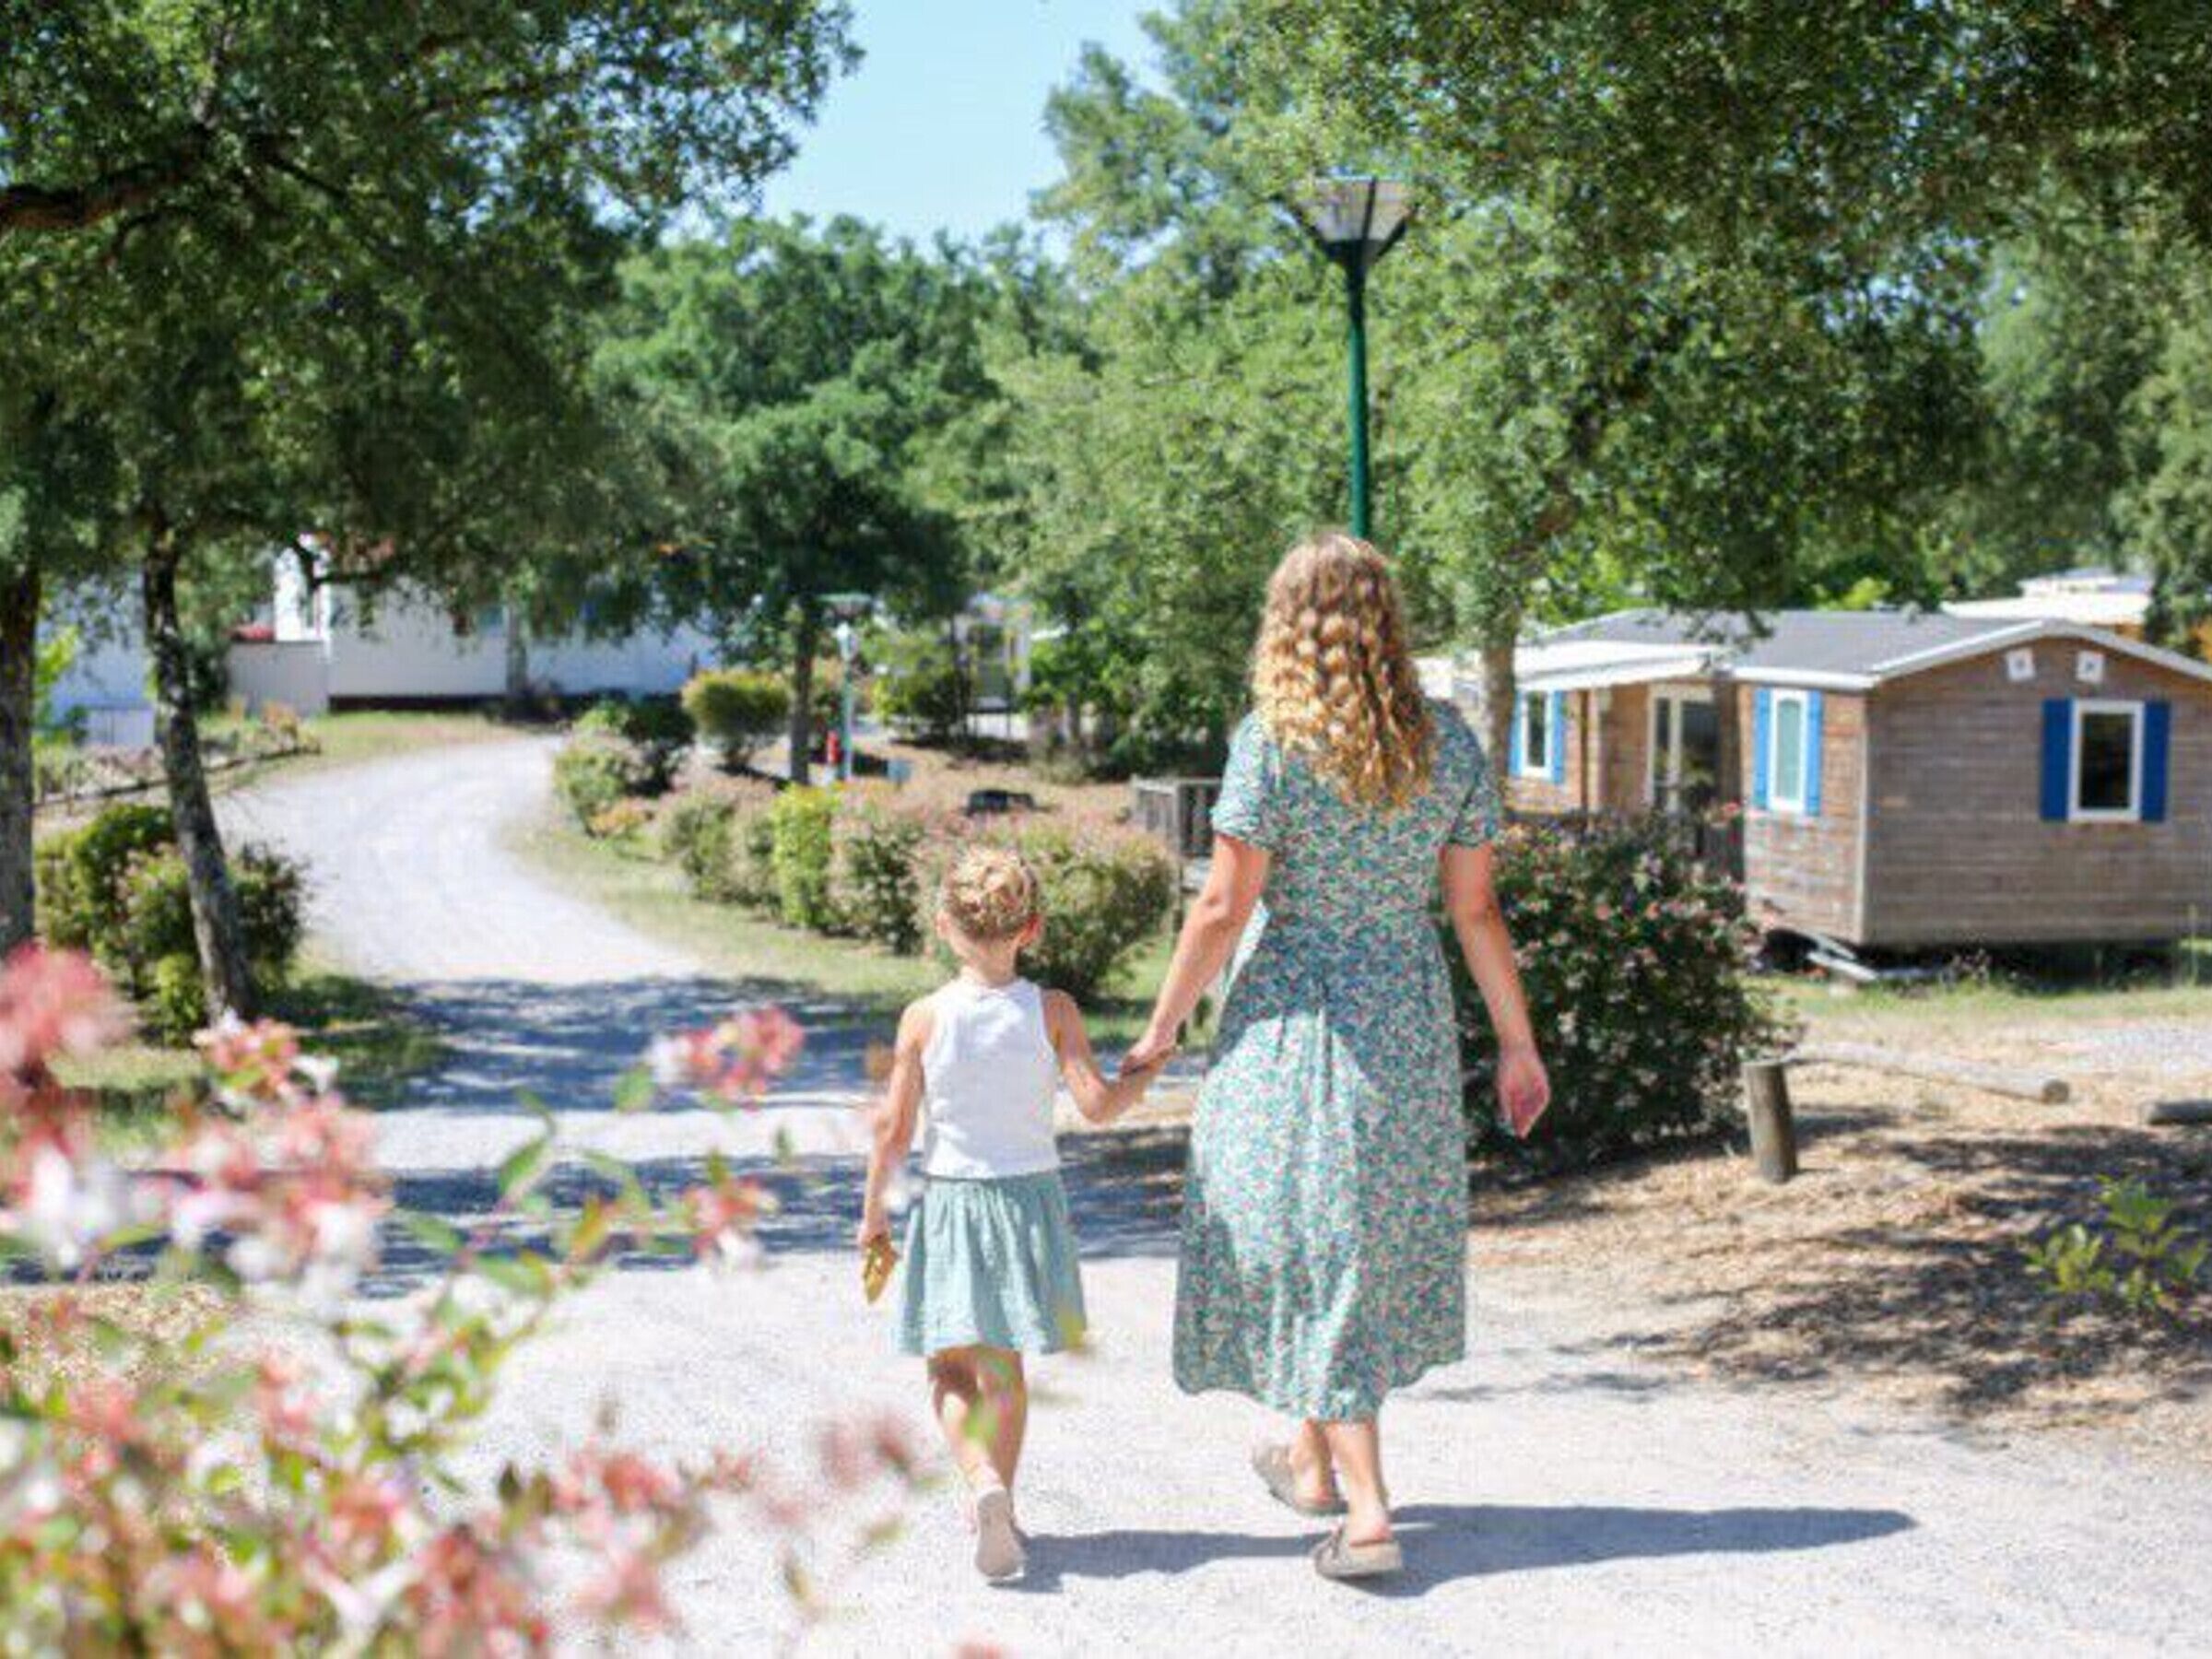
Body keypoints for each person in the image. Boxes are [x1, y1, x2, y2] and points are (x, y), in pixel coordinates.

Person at [1123, 530, 1552, 1582]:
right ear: (1386, 624)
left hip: (1293, 1019)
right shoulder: (1446, 744)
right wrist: (1517, 1044)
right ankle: (1309, 1463)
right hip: (1404, 1018)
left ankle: (1367, 1514)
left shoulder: (1270, 741)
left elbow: (1225, 907)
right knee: (1345, 1232)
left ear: (1287, 625)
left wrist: (1161, 1027)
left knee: (1316, 1239)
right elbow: (1477, 909)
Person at [857, 845, 1169, 1582]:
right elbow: (1095, 1106)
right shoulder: (1053, 1009)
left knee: (948, 1368)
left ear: (943, 925)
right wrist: (1145, 1076)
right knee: (1005, 1370)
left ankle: (980, 1483)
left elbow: (894, 1133)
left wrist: (873, 1217)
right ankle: (1007, 1501)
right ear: (1031, 928)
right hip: (1028, 1203)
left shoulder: (924, 1018)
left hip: (955, 1204)